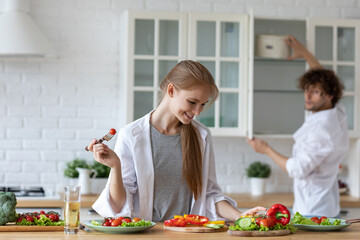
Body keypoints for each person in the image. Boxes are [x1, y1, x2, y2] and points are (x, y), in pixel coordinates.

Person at [88, 60, 266, 222]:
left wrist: (240, 216)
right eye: (192, 102)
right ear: (171, 90)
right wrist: (115, 167)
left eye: (203, 104)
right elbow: (119, 206)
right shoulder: (132, 135)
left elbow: (210, 195)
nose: (197, 111)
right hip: (148, 235)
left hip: (188, 233)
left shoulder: (201, 136)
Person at [247, 35, 349, 218]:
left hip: (313, 210)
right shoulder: (336, 112)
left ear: (329, 96)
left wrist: (266, 150)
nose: (308, 96)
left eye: (315, 92)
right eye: (307, 90)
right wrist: (305, 53)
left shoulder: (322, 129)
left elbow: (297, 169)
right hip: (324, 205)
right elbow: (324, 78)